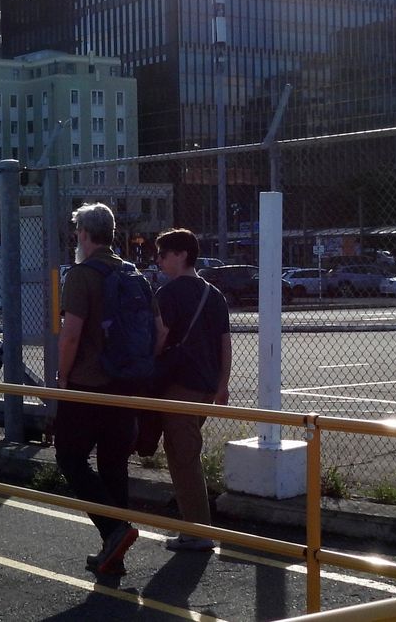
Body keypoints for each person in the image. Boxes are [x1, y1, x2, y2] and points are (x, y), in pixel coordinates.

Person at [56, 202, 147, 577]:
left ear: (83, 234)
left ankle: (114, 530)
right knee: (114, 465)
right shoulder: (132, 273)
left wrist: (62, 377)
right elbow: (156, 332)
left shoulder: (81, 275)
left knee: (70, 458)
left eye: (77, 232)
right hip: (125, 385)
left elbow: (72, 332)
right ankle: (115, 556)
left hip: (88, 385)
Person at [153, 228, 232, 552]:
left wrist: (146, 365)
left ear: (181, 254)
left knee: (183, 458)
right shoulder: (213, 295)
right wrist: (222, 385)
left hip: (178, 386)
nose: (158, 260)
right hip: (205, 387)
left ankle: (198, 532)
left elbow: (159, 338)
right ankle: (192, 528)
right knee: (184, 453)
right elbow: (225, 345)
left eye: (163, 254)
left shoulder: (168, 294)